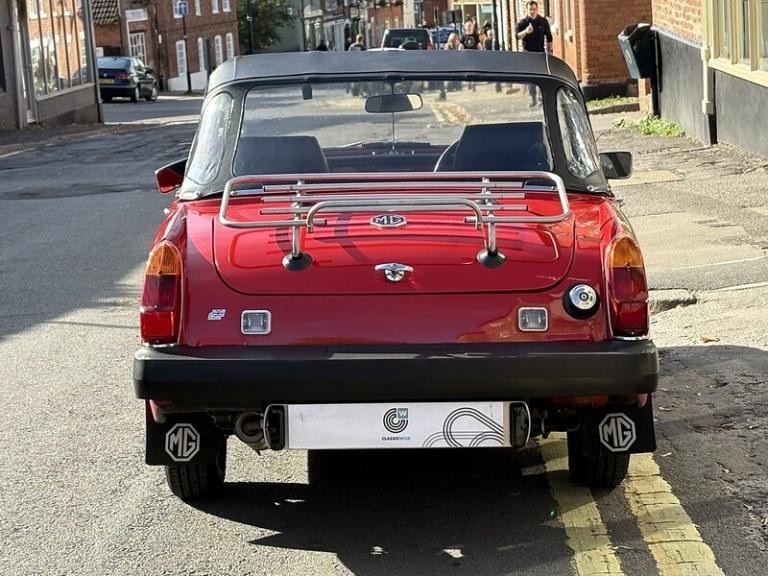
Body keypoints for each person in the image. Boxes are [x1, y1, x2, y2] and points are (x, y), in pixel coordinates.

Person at [516, 1, 552, 107]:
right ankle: (532, 98)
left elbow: (549, 37)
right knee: (531, 77)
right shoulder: (523, 23)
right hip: (528, 53)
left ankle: (541, 98)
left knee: (541, 75)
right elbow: (517, 36)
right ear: (527, 10)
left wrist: (550, 51)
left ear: (537, 9)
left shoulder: (542, 21)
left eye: (534, 9)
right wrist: (526, 32)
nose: (532, 11)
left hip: (540, 52)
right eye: (530, 9)